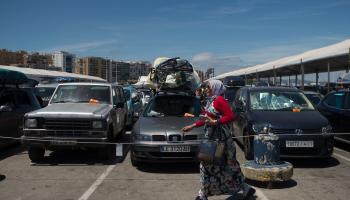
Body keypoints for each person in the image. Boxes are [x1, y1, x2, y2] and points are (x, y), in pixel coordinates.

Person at [182, 79, 255, 200]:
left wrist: (215, 121)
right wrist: (192, 125)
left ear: (215, 88)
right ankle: (245, 189)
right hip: (212, 138)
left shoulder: (219, 100)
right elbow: (206, 118)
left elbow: (231, 116)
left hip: (221, 141)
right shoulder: (212, 101)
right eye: (206, 88)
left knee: (220, 165)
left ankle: (203, 194)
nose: (206, 90)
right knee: (222, 166)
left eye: (209, 88)